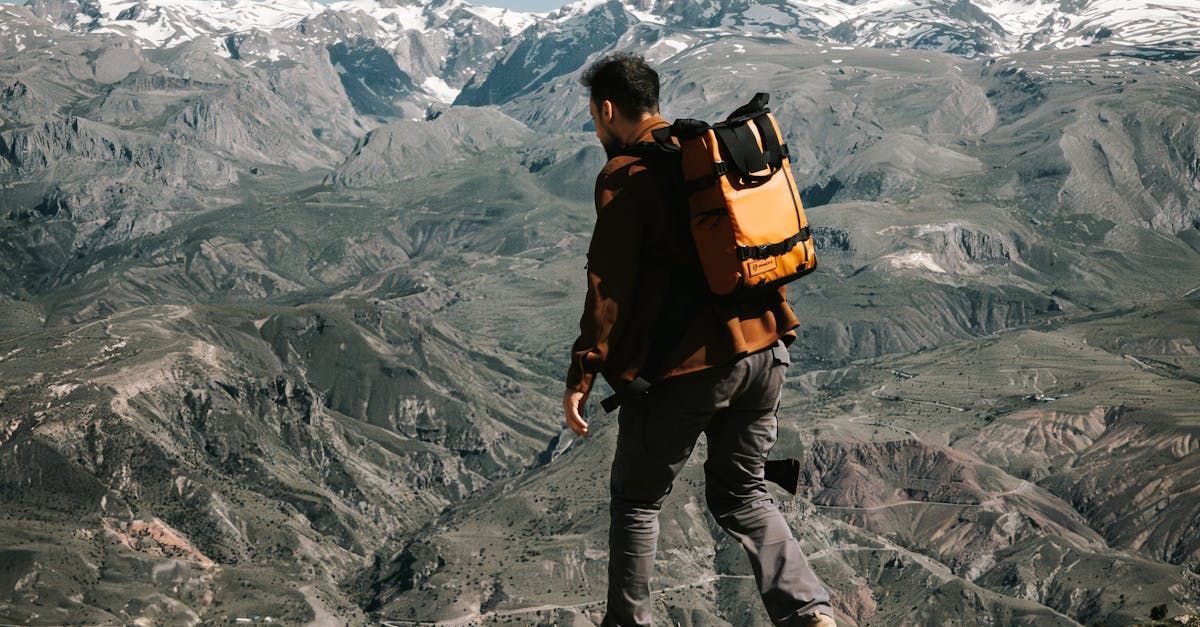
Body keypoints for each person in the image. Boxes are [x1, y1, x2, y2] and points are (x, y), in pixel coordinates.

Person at [561, 52, 838, 627]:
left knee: (637, 500)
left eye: (593, 116)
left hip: (691, 367)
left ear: (607, 110)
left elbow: (607, 285)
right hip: (766, 349)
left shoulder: (625, 176)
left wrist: (583, 372)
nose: (595, 126)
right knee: (742, 493)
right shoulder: (702, 156)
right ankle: (808, 612)